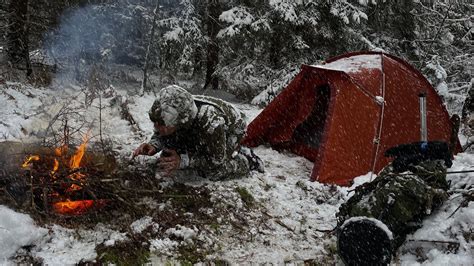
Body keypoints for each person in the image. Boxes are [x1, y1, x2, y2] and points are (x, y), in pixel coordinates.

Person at [133, 85, 263, 180]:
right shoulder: (174, 112)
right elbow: (163, 132)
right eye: (155, 122)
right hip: (194, 127)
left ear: (181, 121)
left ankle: (246, 160)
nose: (156, 127)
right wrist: (154, 145)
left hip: (232, 130)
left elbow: (215, 160)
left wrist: (184, 161)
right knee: (168, 155)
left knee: (213, 171)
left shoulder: (211, 122)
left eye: (161, 124)